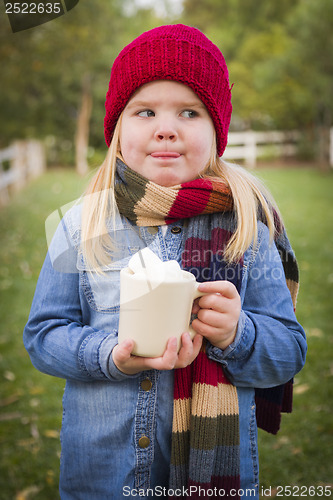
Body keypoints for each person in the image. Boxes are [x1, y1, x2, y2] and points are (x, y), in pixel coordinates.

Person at [23, 24, 307, 500]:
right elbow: (43, 335)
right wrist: (109, 354)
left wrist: (240, 333)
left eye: (189, 111)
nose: (166, 127)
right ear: (117, 128)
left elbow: (287, 352)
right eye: (146, 110)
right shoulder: (82, 225)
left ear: (216, 131)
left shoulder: (247, 230)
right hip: (104, 478)